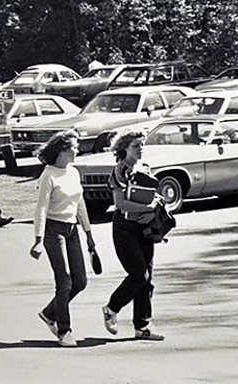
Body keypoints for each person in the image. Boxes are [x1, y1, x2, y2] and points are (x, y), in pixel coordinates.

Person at [30, 130, 96, 347]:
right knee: (64, 281)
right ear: (63, 151)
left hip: (72, 229)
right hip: (53, 230)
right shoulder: (48, 175)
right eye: (75, 147)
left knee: (80, 281)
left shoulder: (73, 173)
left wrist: (89, 234)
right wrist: (38, 239)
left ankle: (50, 313)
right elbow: (41, 208)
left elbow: (80, 204)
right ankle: (63, 330)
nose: (78, 150)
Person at [101, 131, 165, 341]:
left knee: (148, 279)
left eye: (141, 145)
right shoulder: (120, 171)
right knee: (139, 274)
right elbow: (120, 203)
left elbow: (154, 195)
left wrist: (152, 211)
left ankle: (142, 326)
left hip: (145, 228)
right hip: (125, 227)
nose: (140, 149)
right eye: (136, 145)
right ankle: (112, 307)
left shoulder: (144, 168)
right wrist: (148, 207)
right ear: (125, 148)